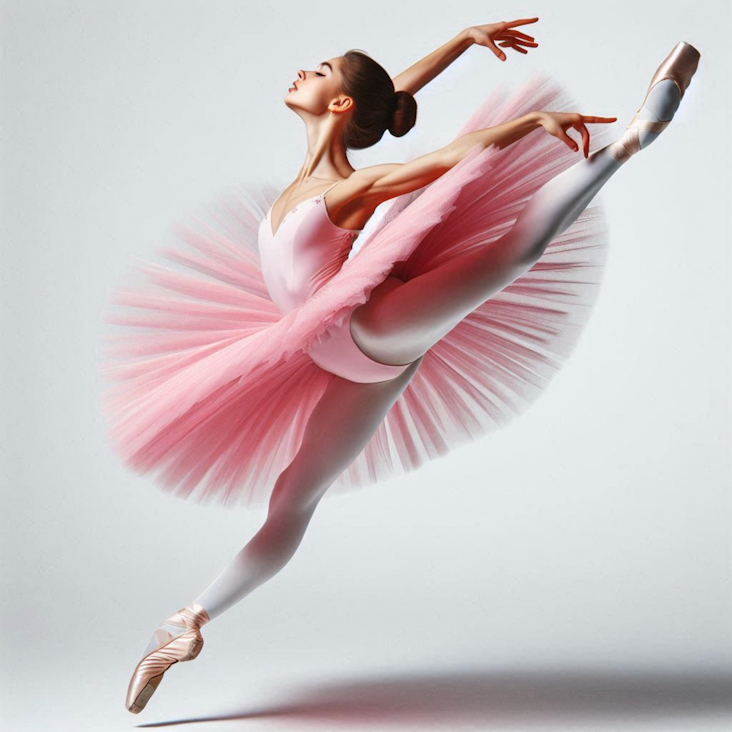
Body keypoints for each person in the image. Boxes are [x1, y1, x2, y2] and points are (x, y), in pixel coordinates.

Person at [102, 18, 701, 713]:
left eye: (320, 68)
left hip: (369, 329)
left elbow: (454, 153)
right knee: (292, 499)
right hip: (349, 362)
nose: (305, 71)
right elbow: (390, 95)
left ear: (338, 104)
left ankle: (630, 140)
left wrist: (531, 121)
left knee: (510, 255)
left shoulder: (354, 188)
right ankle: (189, 622)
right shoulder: (312, 173)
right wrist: (462, 42)